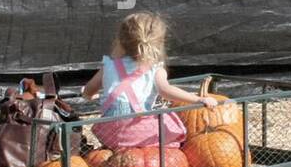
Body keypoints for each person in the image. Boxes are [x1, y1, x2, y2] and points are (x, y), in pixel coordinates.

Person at [82, 12, 215, 150]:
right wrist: (198, 99)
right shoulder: (155, 69)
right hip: (137, 131)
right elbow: (166, 91)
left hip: (109, 133)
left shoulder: (109, 65)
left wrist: (90, 96)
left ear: (120, 40)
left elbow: (88, 90)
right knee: (173, 124)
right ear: (158, 44)